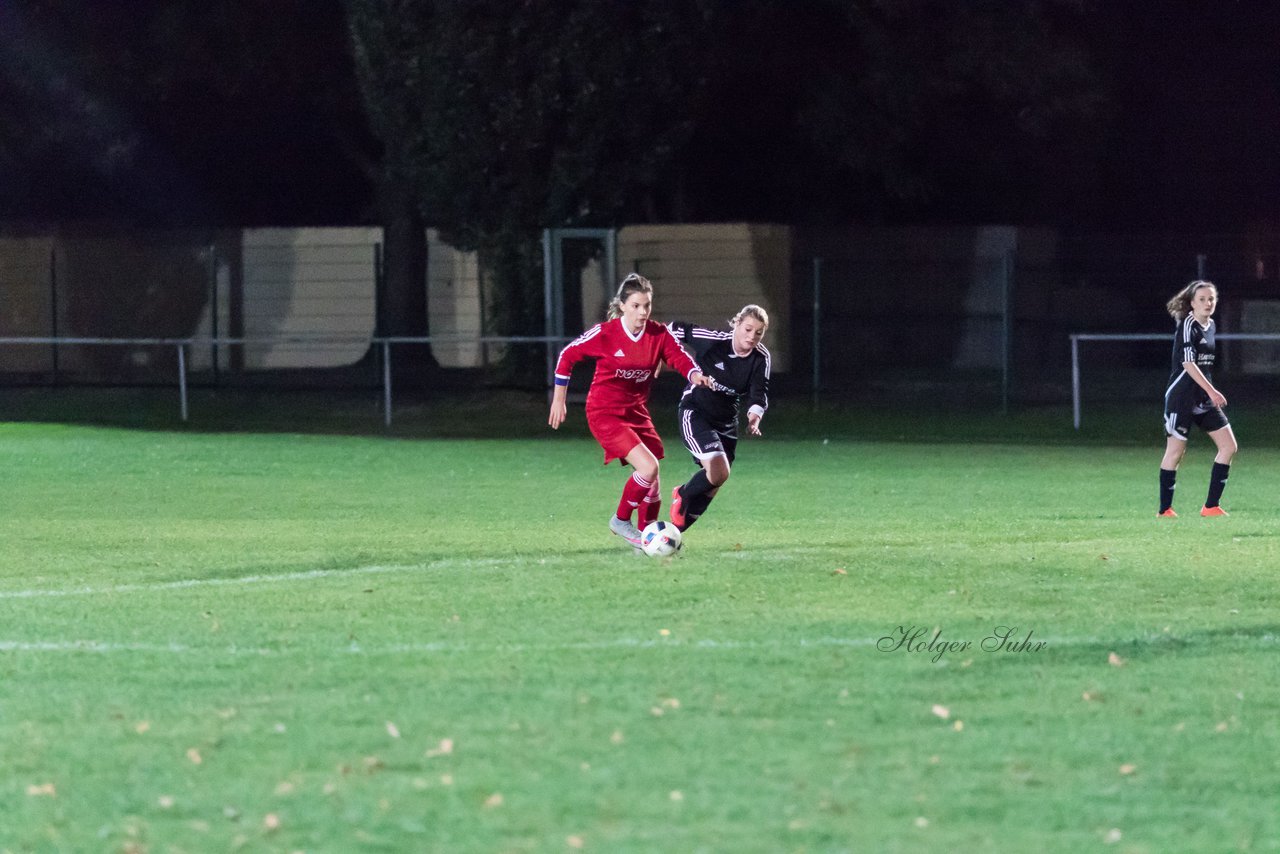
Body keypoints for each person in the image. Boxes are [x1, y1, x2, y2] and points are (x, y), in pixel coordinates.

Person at [548, 273, 711, 548]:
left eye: (647, 305)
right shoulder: (606, 334)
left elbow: (678, 357)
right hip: (604, 412)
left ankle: (648, 538)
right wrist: (558, 398)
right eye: (636, 305)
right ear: (622, 305)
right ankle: (621, 521)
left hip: (636, 412)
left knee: (653, 480)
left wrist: (695, 375)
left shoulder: (658, 334)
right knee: (648, 468)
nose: (643, 312)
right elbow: (568, 356)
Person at [666, 305, 771, 531]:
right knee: (716, 469)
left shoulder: (761, 358)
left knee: (718, 479)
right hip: (696, 411)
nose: (751, 336)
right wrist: (657, 356)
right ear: (736, 324)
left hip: (726, 422)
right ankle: (682, 494)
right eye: (748, 329)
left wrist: (755, 415)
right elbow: (673, 330)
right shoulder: (713, 341)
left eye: (758, 332)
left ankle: (674, 534)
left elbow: (758, 392)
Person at [1158, 279, 1238, 517]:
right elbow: (1188, 364)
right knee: (1176, 451)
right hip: (1181, 396)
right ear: (1192, 303)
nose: (1208, 303)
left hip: (1202, 397)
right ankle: (1164, 510)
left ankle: (1210, 506)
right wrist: (1213, 391)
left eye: (1211, 299)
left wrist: (1208, 391)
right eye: (1202, 299)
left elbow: (1205, 367)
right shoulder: (1187, 324)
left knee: (1228, 446)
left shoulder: (1211, 326)